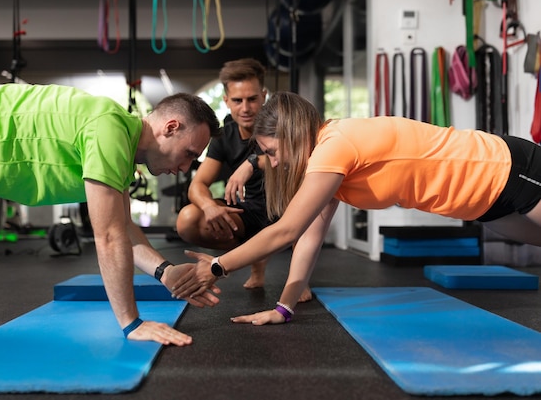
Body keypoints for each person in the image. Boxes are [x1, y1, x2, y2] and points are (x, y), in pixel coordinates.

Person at [172, 90, 541, 326]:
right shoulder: (326, 166)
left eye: (271, 151)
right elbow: (306, 239)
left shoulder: (335, 145)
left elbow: (285, 230)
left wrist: (218, 267)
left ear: (295, 133)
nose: (274, 162)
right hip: (485, 206)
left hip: (508, 171)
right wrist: (283, 308)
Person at [0, 83, 222, 345]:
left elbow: (123, 227)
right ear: (171, 128)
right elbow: (108, 236)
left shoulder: (119, 139)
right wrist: (132, 323)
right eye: (189, 154)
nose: (184, 169)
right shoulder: (109, 129)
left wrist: (165, 272)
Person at [175, 58, 311, 301]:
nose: (245, 108)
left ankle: (299, 279)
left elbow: (302, 162)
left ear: (264, 96)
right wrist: (209, 207)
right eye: (237, 100)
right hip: (249, 212)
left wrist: (252, 163)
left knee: (304, 204)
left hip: (287, 208)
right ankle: (255, 258)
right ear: (226, 100)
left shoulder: (282, 126)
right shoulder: (224, 136)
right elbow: (198, 184)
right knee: (188, 219)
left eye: (252, 99)